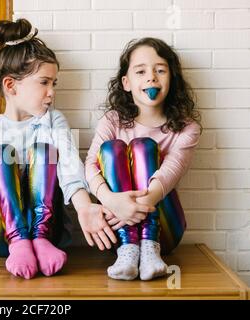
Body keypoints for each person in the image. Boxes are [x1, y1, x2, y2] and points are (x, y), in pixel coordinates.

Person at [0, 19, 117, 280]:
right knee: (1, 153)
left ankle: (38, 239)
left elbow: (69, 163)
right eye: (44, 82)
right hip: (0, 235)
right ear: (11, 85)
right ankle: (19, 241)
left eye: (55, 83)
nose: (51, 92)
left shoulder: (53, 121)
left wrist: (85, 206)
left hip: (51, 235)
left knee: (43, 150)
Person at [85, 37, 202, 281]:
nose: (151, 77)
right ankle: (129, 248)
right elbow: (90, 166)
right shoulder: (113, 121)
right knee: (112, 149)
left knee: (143, 148)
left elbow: (170, 172)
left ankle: (149, 245)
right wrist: (112, 201)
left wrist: (133, 209)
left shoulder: (187, 129)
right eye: (141, 71)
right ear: (126, 83)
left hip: (165, 230)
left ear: (172, 79)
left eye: (160, 70)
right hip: (116, 229)